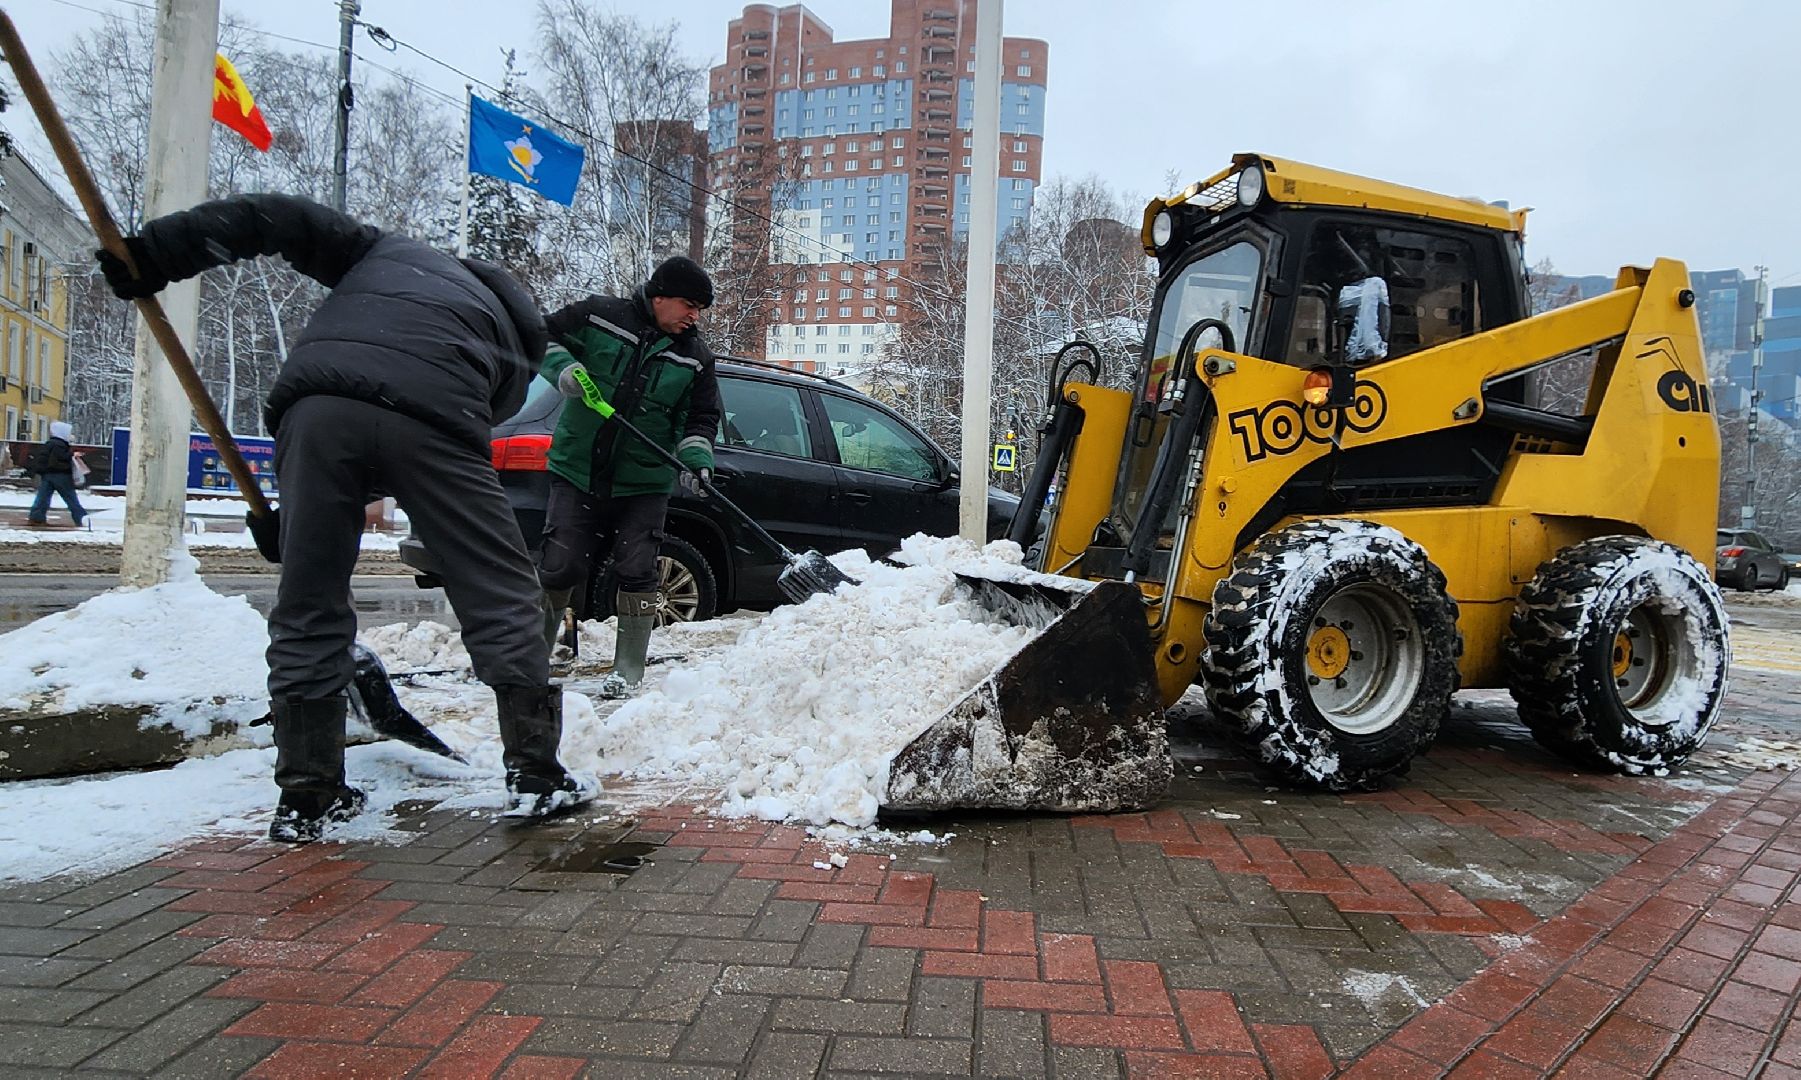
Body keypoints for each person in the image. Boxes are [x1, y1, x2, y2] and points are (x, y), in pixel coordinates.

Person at [95, 193, 598, 842]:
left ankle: (308, 795)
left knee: (308, 600)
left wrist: (158, 254)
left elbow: (276, 219)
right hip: (439, 419)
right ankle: (536, 775)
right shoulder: (515, 338)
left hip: (317, 408)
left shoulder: (382, 253)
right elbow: (417, 432)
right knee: (501, 592)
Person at [538, 256, 722, 698]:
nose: (694, 317)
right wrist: (562, 368)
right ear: (660, 296)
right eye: (689, 305)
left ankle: (627, 669)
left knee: (638, 569)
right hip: (578, 468)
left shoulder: (695, 358)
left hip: (644, 481)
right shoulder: (598, 316)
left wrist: (696, 459)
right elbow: (540, 335)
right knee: (561, 565)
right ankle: (531, 657)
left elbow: (700, 417)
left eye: (699, 309)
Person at [24, 420, 88, 527]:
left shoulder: (50, 443)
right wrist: (72, 455)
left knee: (43, 497)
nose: (69, 435)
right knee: (70, 498)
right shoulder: (59, 445)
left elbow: (44, 459)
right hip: (61, 475)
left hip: (47, 475)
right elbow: (59, 458)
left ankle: (36, 518)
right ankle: (81, 518)